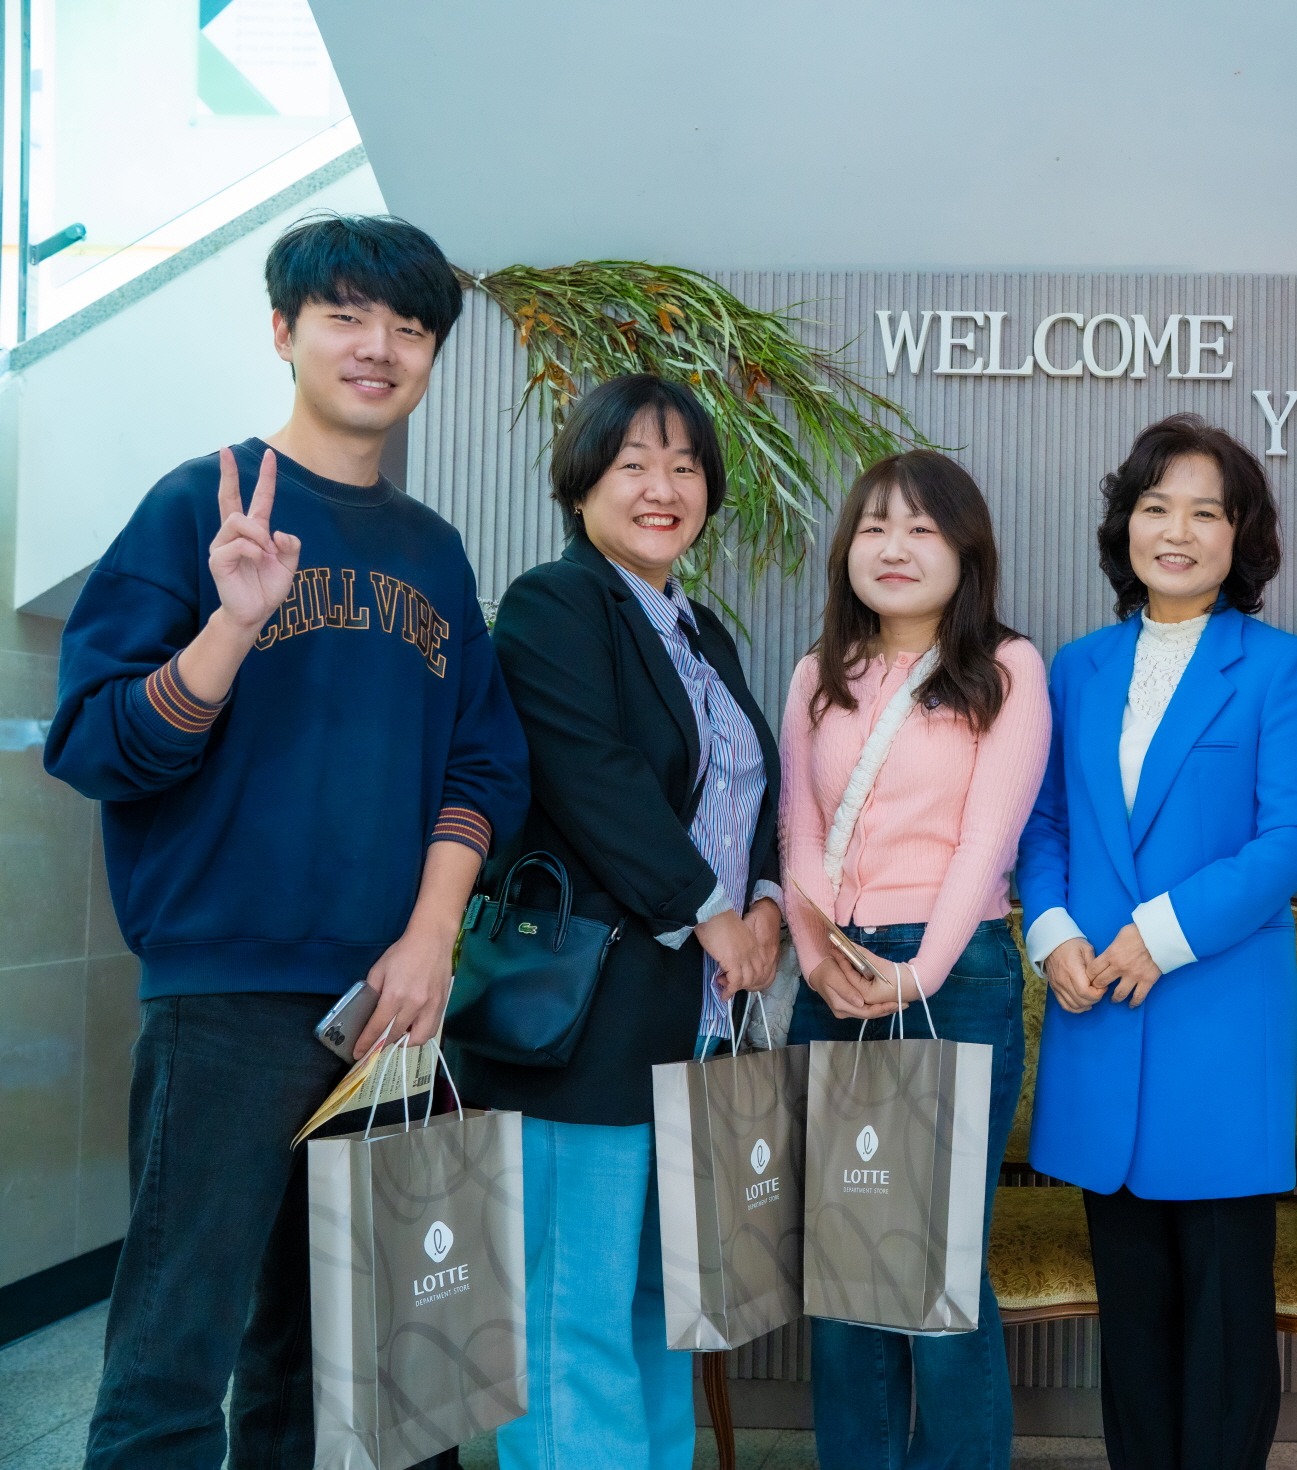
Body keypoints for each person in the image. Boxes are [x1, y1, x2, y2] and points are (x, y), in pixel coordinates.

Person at [44, 213, 529, 1470]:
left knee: (353, 1372)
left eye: (409, 327)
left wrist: (430, 943)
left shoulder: (432, 550)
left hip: (391, 1010)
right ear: (283, 331)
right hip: (227, 1001)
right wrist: (232, 624)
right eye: (345, 317)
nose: (379, 347)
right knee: (172, 1364)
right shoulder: (191, 508)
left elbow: (483, 765)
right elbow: (95, 745)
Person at [457, 374, 784, 1469]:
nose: (663, 488)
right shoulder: (556, 602)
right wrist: (711, 913)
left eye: (685, 467)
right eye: (634, 463)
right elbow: (592, 776)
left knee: (656, 1306)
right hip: (583, 1024)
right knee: (571, 1314)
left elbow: (750, 793)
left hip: (692, 1023)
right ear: (582, 482)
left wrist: (767, 903)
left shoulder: (702, 632)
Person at [1017, 413, 1297, 1470]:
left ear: (1242, 536)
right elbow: (1045, 823)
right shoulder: (1077, 668)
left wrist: (1157, 933)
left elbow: (1290, 837)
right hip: (1097, 1011)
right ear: (1126, 527)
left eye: (1206, 512)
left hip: (1217, 1022)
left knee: (1224, 1315)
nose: (1179, 532)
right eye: (1157, 508)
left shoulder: (1281, 667)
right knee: (1135, 1315)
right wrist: (1052, 931)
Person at [780, 449, 1048, 1470]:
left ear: (966, 551)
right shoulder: (819, 671)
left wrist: (917, 975)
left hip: (953, 973)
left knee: (936, 1270)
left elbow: (988, 841)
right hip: (834, 972)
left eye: (922, 529)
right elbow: (799, 829)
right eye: (875, 527)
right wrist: (816, 959)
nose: (894, 548)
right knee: (842, 1265)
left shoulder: (1007, 669)